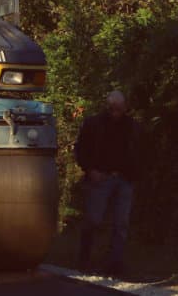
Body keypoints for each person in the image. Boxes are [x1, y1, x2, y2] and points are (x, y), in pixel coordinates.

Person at [75, 90, 140, 276]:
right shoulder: (94, 124)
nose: (116, 113)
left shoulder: (132, 126)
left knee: (121, 223)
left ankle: (115, 263)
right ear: (107, 107)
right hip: (100, 176)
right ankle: (84, 259)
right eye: (112, 109)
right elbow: (81, 149)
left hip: (124, 177)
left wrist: (135, 172)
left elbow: (139, 150)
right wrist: (90, 170)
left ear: (125, 107)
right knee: (93, 219)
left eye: (119, 109)